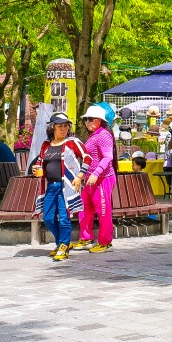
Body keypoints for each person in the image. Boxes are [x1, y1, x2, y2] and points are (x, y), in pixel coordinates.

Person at [33, 113, 88, 262]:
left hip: (67, 187)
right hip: (50, 187)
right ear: (52, 128)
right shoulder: (46, 145)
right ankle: (62, 243)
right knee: (48, 217)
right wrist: (37, 168)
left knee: (64, 218)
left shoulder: (72, 142)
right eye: (60, 126)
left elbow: (87, 157)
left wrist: (80, 176)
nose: (64, 129)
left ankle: (63, 246)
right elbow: (39, 162)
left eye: (66, 126)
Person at [72, 105, 118, 253]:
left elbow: (108, 157)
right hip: (91, 180)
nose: (87, 122)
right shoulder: (94, 135)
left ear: (100, 120)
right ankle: (86, 238)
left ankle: (105, 242)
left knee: (103, 211)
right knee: (84, 209)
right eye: (86, 119)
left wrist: (96, 173)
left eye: (90, 119)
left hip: (102, 179)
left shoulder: (103, 134)